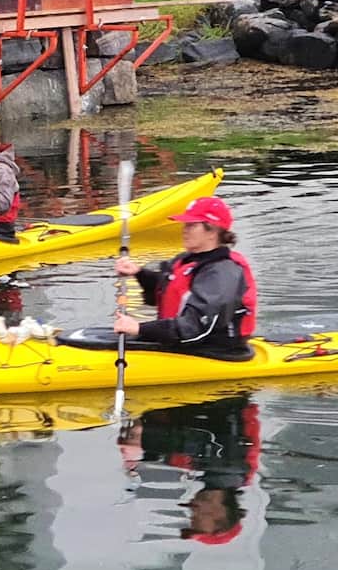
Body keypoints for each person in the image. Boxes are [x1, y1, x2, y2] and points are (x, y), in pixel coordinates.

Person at [112, 196, 256, 356]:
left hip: (215, 351)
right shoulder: (187, 260)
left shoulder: (222, 272)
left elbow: (195, 327)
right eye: (185, 224)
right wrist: (138, 273)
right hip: (183, 343)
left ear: (212, 232)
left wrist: (140, 329)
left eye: (192, 225)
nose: (184, 229)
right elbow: (169, 290)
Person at [118, 393, 261, 545]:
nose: (191, 514)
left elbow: (179, 452)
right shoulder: (232, 467)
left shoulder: (215, 474)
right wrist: (144, 439)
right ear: (219, 515)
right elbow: (198, 442)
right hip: (218, 396)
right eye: (197, 520)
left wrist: (140, 462)